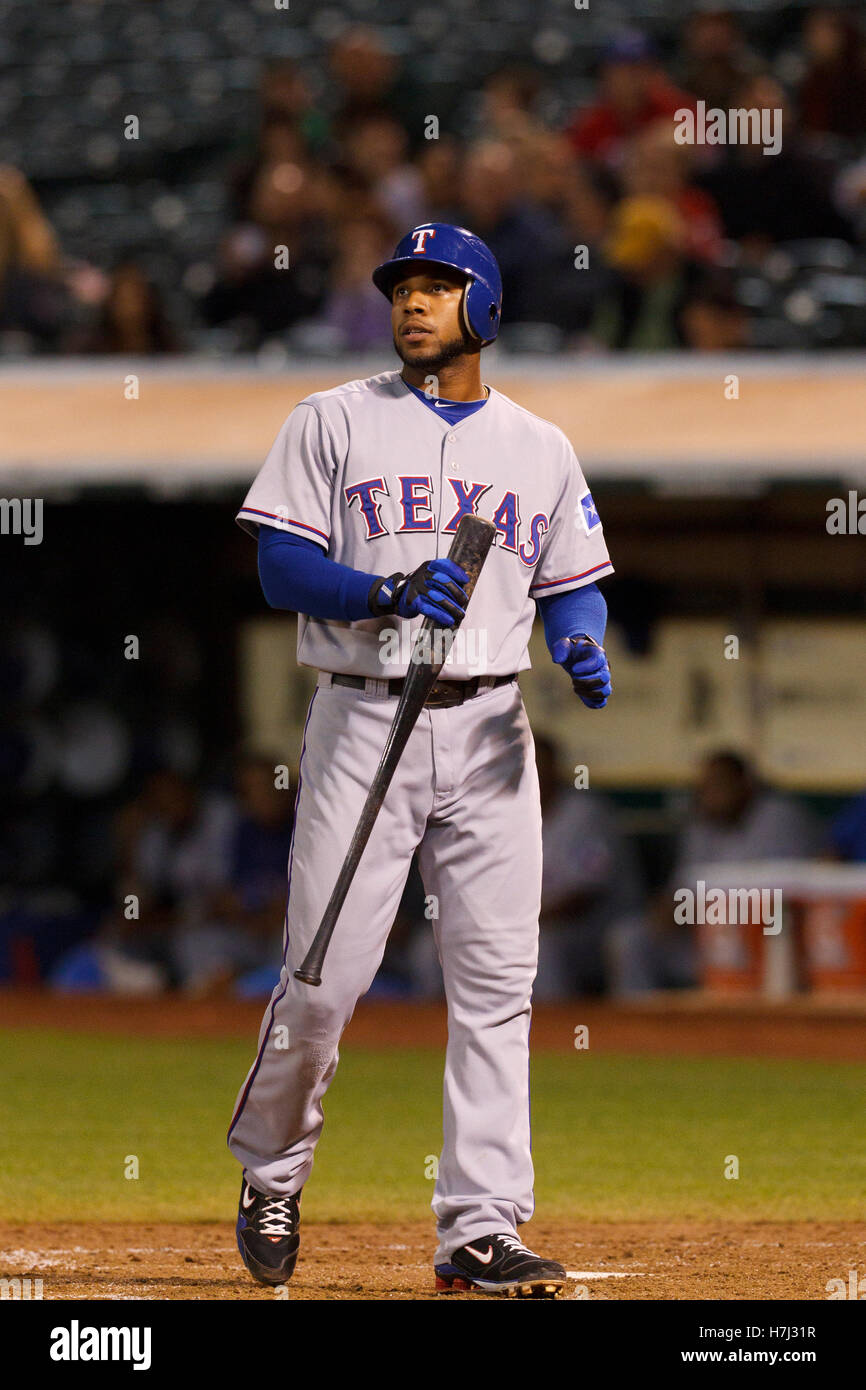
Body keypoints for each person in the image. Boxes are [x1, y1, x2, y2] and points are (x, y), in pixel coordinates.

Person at [228, 222, 615, 1298]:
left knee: (496, 987)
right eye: (403, 286)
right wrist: (380, 592)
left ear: (483, 307)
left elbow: (568, 575)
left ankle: (478, 1228)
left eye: (439, 286)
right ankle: (272, 1168)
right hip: (364, 718)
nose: (413, 302)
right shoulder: (331, 420)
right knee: (320, 979)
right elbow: (278, 564)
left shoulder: (538, 446)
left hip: (492, 726)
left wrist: (577, 636)